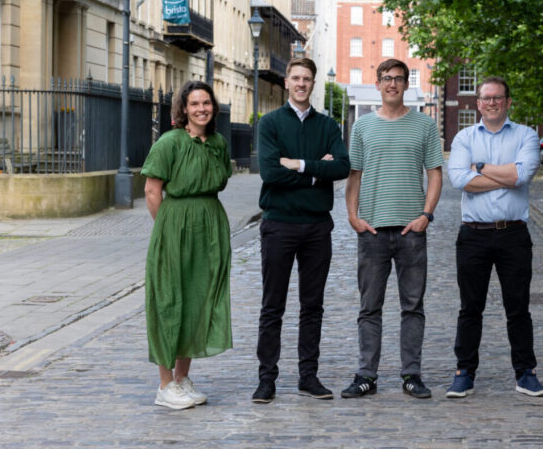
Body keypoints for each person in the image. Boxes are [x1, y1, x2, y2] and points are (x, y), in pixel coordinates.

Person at [341, 58, 444, 400]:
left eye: (399, 79)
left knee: (412, 307)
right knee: (369, 307)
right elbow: (354, 175)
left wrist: (426, 216)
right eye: (386, 78)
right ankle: (366, 374)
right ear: (378, 84)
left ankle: (411, 374)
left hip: (411, 231)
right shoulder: (363, 127)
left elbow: (434, 174)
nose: (392, 84)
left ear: (406, 84)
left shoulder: (425, 126)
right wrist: (353, 217)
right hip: (372, 231)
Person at [252, 57, 350, 404]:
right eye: (295, 78)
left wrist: (299, 164)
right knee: (272, 305)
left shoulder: (327, 125)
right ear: (286, 81)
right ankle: (267, 379)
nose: (301, 84)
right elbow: (271, 173)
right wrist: (315, 173)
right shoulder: (270, 124)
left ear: (313, 83)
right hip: (279, 224)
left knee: (313, 305)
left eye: (307, 78)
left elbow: (341, 167)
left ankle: (308, 376)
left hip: (317, 227)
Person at [446, 76, 543, 398]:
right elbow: (460, 180)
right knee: (469, 308)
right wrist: (505, 176)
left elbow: (524, 174)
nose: (491, 103)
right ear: (478, 103)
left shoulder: (526, 135)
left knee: (518, 308)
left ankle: (526, 373)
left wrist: (482, 168)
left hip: (513, 234)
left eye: (497, 98)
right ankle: (464, 373)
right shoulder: (464, 137)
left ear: (507, 102)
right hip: (473, 235)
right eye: (486, 98)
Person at [142, 80, 233, 410]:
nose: (202, 109)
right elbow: (153, 191)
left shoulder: (219, 143)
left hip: (209, 228)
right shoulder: (170, 142)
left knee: (198, 303)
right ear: (183, 109)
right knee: (170, 302)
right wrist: (167, 231)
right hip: (175, 228)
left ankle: (182, 380)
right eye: (195, 104)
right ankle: (165, 385)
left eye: (206, 103)